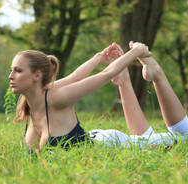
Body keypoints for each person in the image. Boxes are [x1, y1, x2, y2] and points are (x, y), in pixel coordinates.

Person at [9, 42, 151, 153]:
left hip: (112, 142)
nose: (10, 76)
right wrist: (99, 57)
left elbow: (106, 74)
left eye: (18, 71)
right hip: (95, 135)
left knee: (169, 139)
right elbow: (74, 77)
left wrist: (137, 51)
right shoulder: (30, 103)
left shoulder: (57, 97)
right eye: (11, 70)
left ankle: (133, 77)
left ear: (37, 76)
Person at [88, 42, 188, 148]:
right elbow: (74, 79)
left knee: (182, 138)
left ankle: (126, 78)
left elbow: (76, 81)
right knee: (178, 138)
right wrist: (135, 52)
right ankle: (146, 75)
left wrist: (132, 54)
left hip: (97, 139)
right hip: (98, 137)